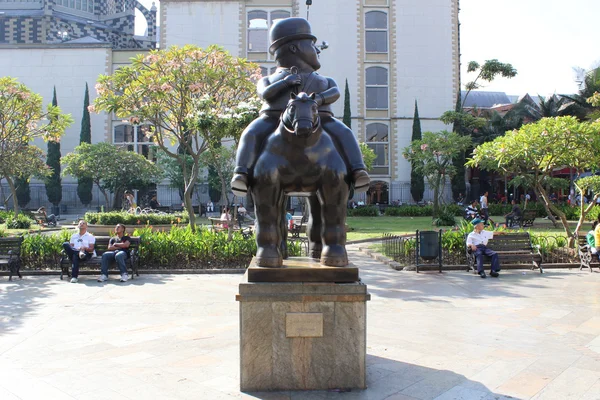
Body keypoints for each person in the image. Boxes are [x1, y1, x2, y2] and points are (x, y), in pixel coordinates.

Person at [230, 17, 369, 197]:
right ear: (295, 48)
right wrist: (284, 83)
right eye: (311, 45)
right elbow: (265, 94)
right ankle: (241, 173)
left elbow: (335, 92)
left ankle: (358, 170)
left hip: (321, 119)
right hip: (272, 118)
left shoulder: (324, 80)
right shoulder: (268, 79)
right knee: (250, 133)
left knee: (344, 132)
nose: (316, 50)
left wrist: (319, 99)